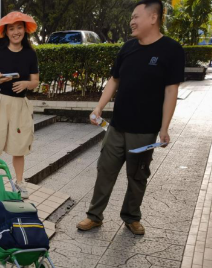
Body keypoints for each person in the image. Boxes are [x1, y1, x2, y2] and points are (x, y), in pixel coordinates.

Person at [77, 0, 184, 236]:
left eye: (136, 16)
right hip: (117, 126)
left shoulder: (171, 50)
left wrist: (164, 128)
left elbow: (171, 91)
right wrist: (99, 107)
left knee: (137, 176)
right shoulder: (128, 48)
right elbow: (114, 79)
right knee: (105, 170)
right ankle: (94, 216)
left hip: (145, 130)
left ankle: (132, 217)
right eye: (131, 17)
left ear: (153, 18)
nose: (131, 21)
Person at [0, 11, 39, 199]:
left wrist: (26, 84)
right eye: (11, 29)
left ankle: (20, 182)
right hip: (0, 103)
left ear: (25, 30)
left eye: (19, 28)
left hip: (20, 105)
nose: (16, 32)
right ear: (6, 32)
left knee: (19, 146)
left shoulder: (30, 54)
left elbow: (35, 81)